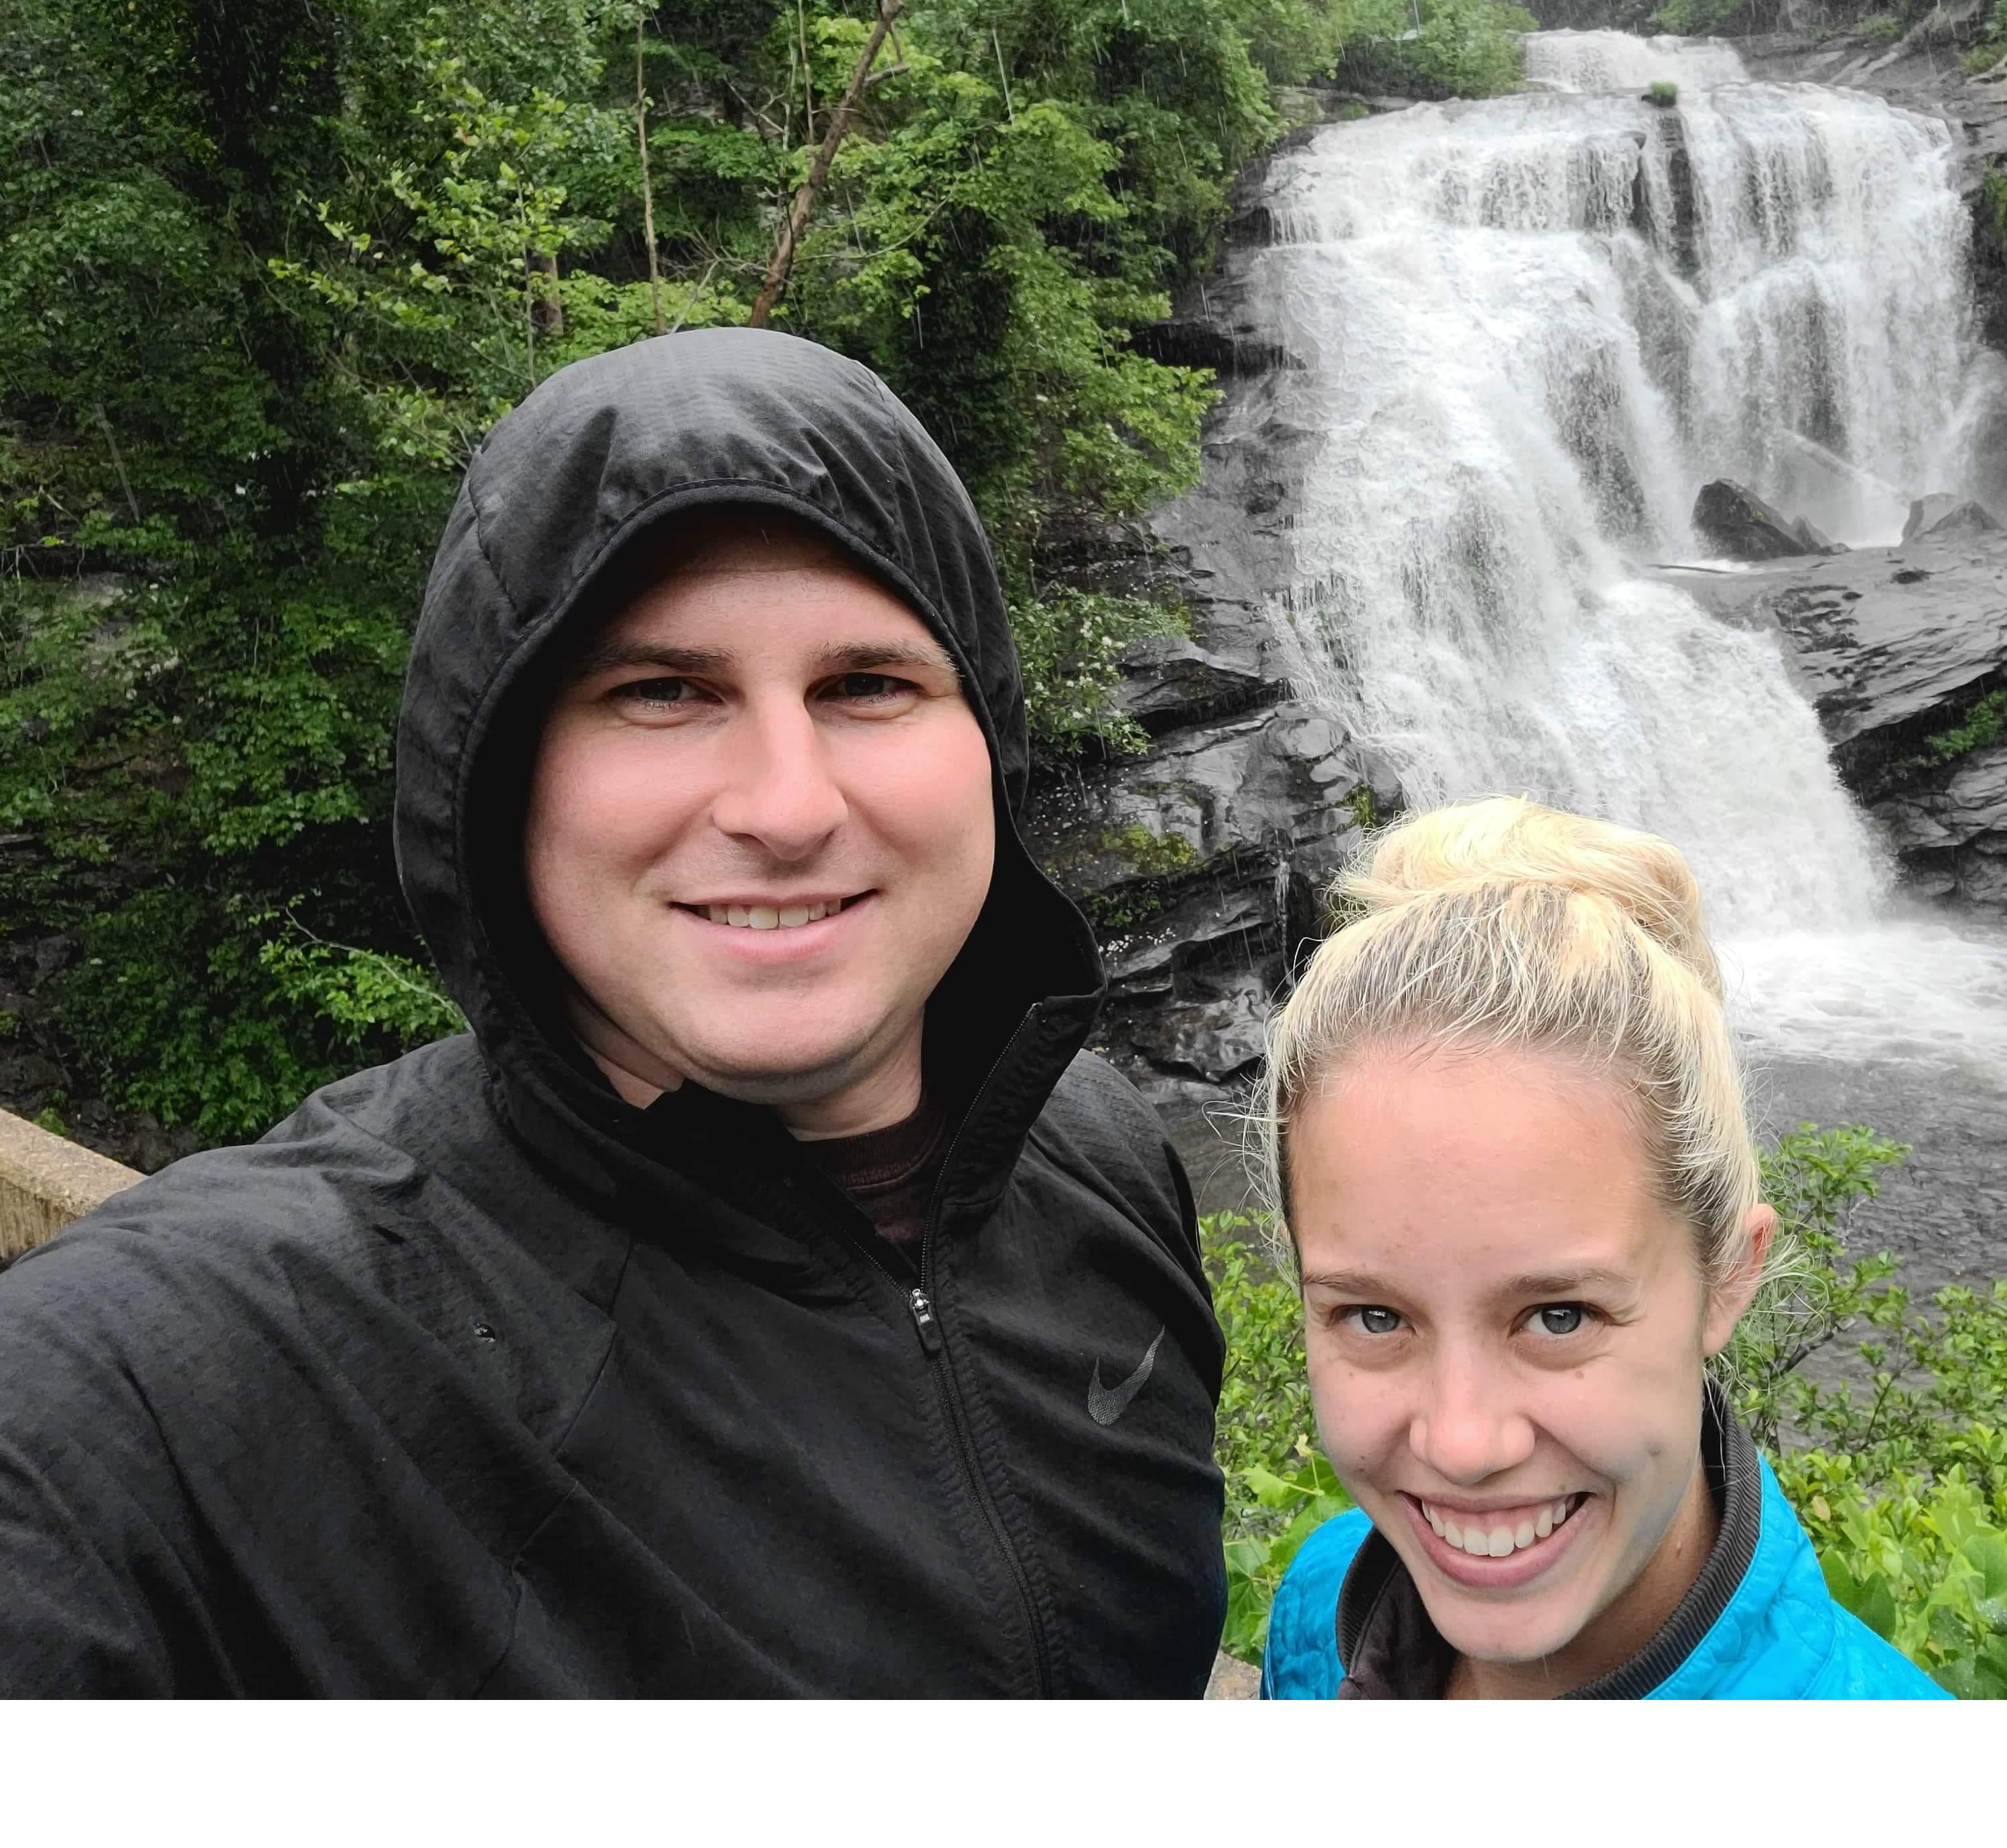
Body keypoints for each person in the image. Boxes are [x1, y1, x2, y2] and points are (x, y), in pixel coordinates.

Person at [0, 329, 1226, 1697]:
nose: (787, 805)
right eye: (662, 693)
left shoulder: (1102, 1163)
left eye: (867, 686)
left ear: (985, 737)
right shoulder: (204, 1366)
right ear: (499, 773)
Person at [1257, 797, 1942, 1700]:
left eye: (1558, 1315)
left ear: (1726, 1277)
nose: (1464, 1444)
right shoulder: (1322, 1600)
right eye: (1375, 1316)